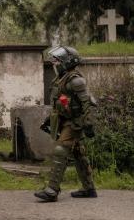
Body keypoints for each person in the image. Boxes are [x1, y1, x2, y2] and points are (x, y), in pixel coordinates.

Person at [35, 46, 97, 202]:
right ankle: (89, 188)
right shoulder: (62, 78)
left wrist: (88, 123)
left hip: (75, 123)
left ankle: (52, 190)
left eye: (58, 60)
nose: (55, 63)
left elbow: (87, 103)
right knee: (78, 153)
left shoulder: (76, 80)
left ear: (68, 62)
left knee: (61, 150)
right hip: (66, 120)